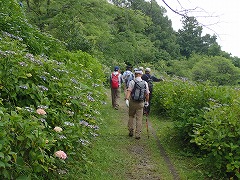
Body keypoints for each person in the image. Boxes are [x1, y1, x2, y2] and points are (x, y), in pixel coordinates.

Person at [125, 69, 150, 140]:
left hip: (133, 102)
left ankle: (130, 131)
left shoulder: (132, 82)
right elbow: (147, 94)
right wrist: (147, 102)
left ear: (135, 74)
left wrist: (127, 99)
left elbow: (129, 91)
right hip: (141, 103)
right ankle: (138, 134)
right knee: (139, 119)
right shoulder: (145, 83)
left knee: (131, 116)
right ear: (141, 75)